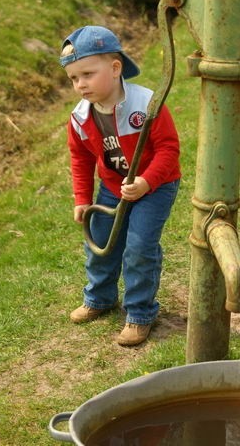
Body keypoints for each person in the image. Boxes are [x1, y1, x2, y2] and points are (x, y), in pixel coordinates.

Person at [60, 25, 181, 347]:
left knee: (139, 248)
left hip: (155, 187)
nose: (80, 84)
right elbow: (81, 159)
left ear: (115, 69)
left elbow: (169, 149)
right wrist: (82, 198)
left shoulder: (146, 105)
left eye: (87, 73)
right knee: (100, 242)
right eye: (73, 78)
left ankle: (140, 313)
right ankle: (99, 298)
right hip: (113, 186)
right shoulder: (80, 118)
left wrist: (146, 182)